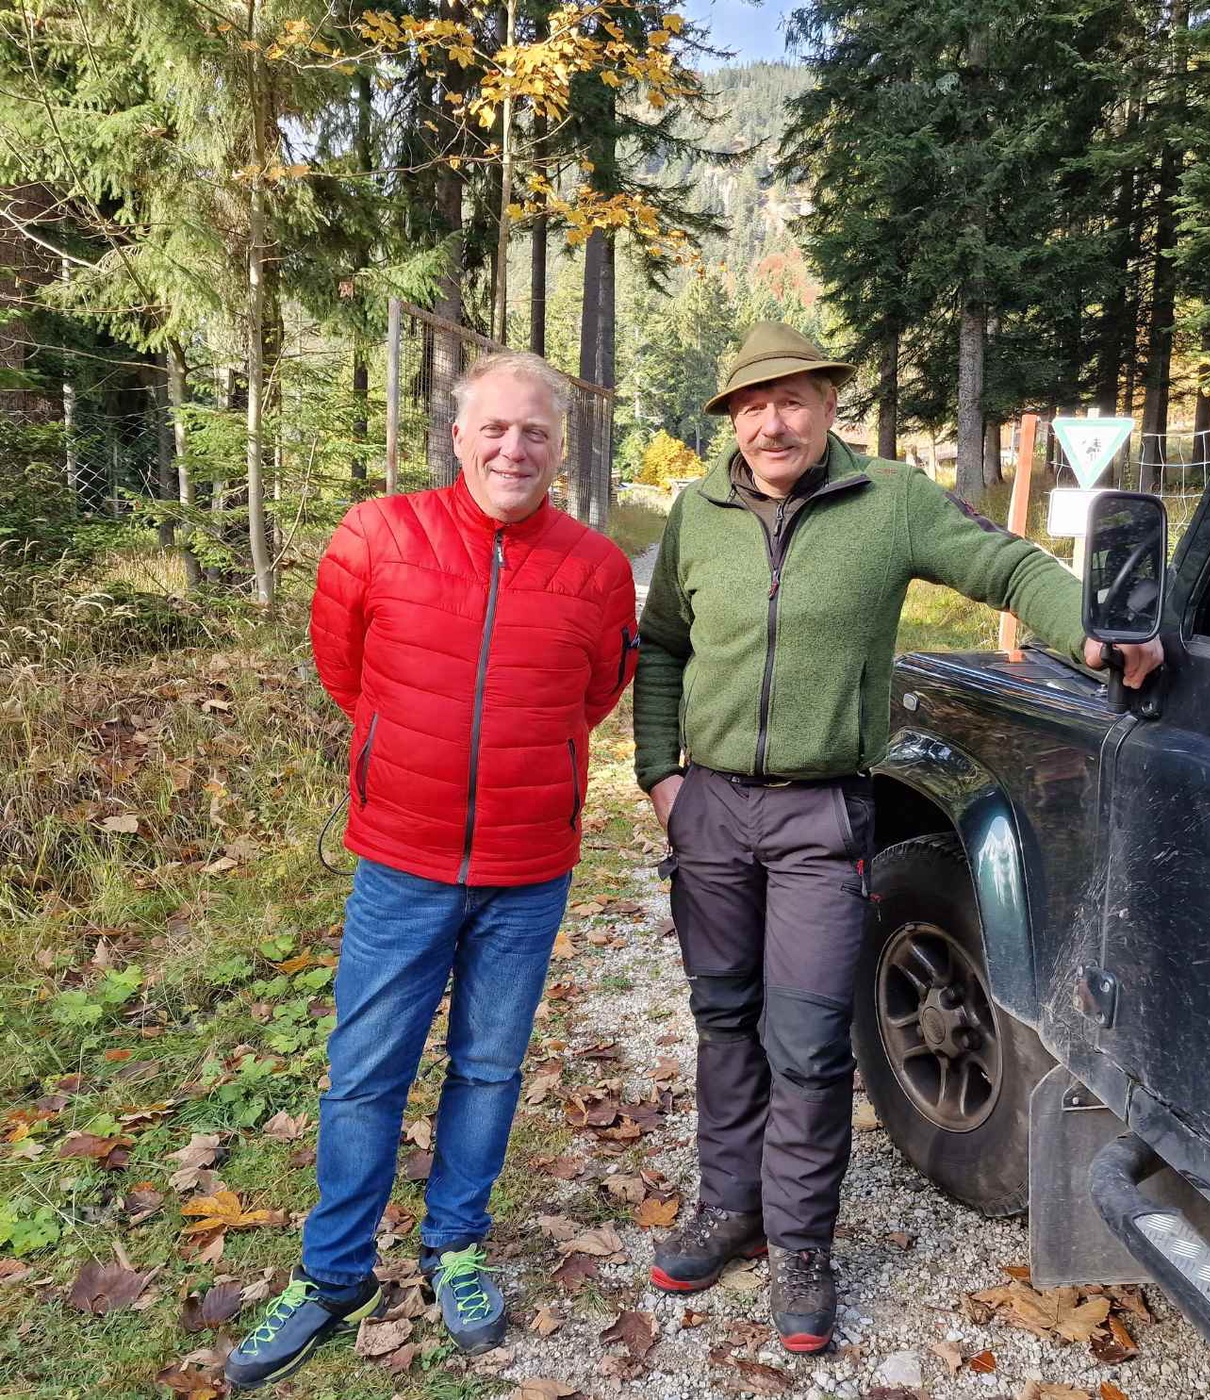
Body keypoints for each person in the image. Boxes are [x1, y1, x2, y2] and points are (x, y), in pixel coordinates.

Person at [633, 322, 1162, 1353]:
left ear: (828, 403)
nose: (770, 421)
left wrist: (1089, 630)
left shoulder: (888, 505)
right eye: (750, 403)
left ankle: (798, 1242)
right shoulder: (696, 512)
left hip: (823, 811)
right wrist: (659, 770)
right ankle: (726, 1204)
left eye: (791, 399)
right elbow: (661, 645)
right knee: (723, 1015)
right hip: (709, 811)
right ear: (729, 419)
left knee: (806, 1032)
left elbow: (1006, 565)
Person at [226, 351, 639, 1391]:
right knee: (365, 1071)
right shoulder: (378, 536)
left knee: (490, 1067)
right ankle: (332, 1274)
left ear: (560, 446)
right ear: (457, 436)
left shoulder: (594, 566)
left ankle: (455, 1246)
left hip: (526, 864)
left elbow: (594, 692)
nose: (513, 447)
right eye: (493, 428)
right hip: (401, 861)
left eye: (534, 432)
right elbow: (345, 669)